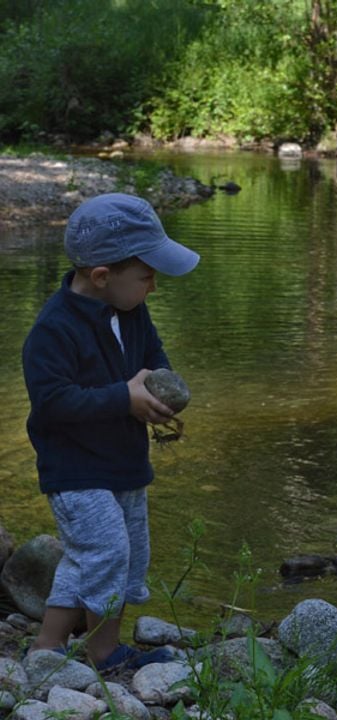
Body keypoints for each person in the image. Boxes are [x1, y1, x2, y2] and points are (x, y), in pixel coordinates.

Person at [21, 193, 200, 671]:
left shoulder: (132, 311)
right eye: (146, 276)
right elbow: (53, 401)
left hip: (122, 462)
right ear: (102, 277)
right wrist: (124, 398)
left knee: (117, 555)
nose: (154, 287)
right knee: (106, 549)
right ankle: (103, 651)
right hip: (74, 466)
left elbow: (152, 357)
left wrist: (157, 393)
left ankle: (47, 645)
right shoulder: (52, 330)